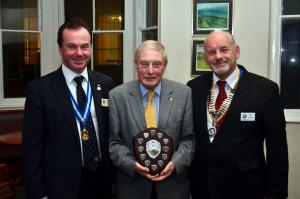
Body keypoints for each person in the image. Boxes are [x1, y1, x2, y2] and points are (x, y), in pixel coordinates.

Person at [187, 30, 289, 199]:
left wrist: (275, 194)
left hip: (247, 187)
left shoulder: (265, 90)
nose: (218, 56)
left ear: (237, 51)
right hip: (202, 186)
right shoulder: (193, 88)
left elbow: (277, 150)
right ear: (205, 58)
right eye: (211, 52)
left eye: (224, 49)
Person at [22, 18, 114, 199]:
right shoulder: (40, 90)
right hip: (60, 186)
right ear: (60, 48)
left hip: (101, 182)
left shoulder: (106, 84)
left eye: (85, 46)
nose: (79, 53)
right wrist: (38, 194)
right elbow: (31, 150)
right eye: (72, 46)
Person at [109, 40, 194, 199]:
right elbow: (114, 143)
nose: (150, 71)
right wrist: (132, 165)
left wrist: (174, 164)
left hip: (173, 187)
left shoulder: (183, 94)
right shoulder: (117, 96)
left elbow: (188, 139)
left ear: (164, 66)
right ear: (136, 65)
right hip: (132, 188)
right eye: (144, 64)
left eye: (156, 64)